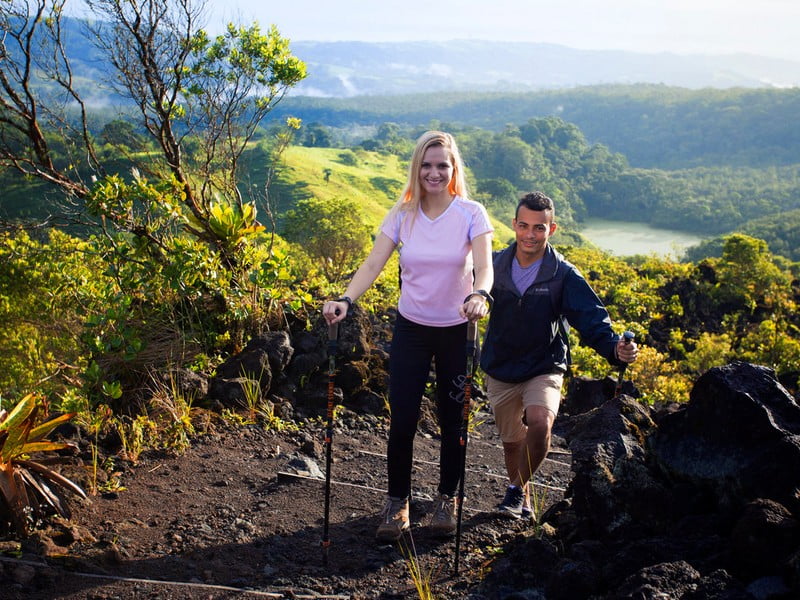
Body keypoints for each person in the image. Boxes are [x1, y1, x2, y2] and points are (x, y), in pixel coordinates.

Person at [322, 131, 494, 542]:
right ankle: (397, 501)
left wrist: (480, 294)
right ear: (417, 168)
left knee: (454, 420)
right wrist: (345, 298)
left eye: (442, 166)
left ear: (453, 171)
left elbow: (485, 267)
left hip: (456, 330)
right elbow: (373, 264)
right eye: (427, 165)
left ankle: (446, 500)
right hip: (412, 329)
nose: (434, 173)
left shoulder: (472, 213)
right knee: (402, 418)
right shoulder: (403, 214)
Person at [479, 191, 638, 520]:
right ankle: (519, 492)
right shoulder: (492, 266)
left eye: (539, 228)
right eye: (524, 226)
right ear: (514, 225)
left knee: (540, 422)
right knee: (512, 442)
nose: (530, 234)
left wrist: (614, 348)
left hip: (544, 364)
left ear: (552, 230)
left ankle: (513, 491)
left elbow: (592, 319)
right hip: (500, 366)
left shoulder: (563, 274)